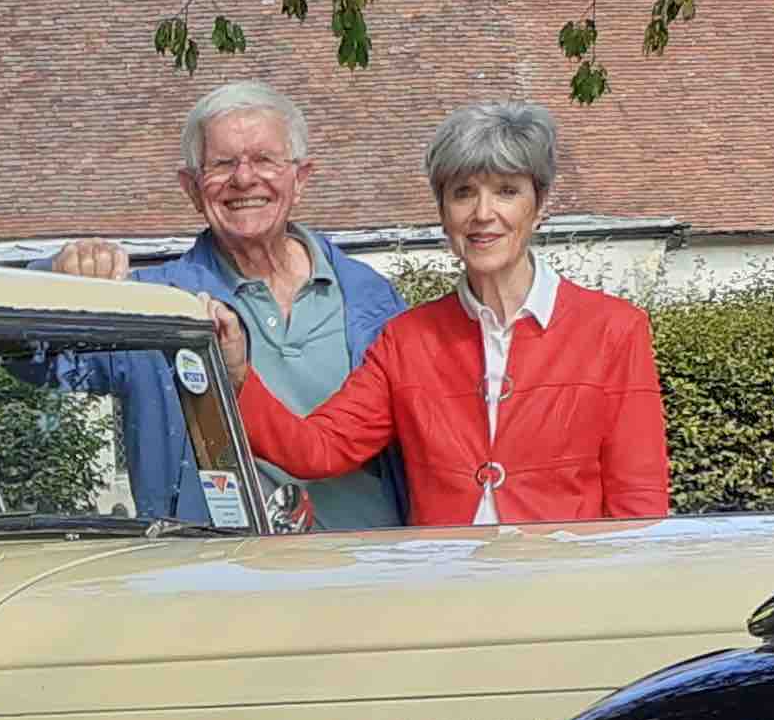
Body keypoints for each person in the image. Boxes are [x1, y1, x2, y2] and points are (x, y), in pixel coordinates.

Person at [217, 102, 672, 526]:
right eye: (463, 193)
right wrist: (237, 376)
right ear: (442, 211)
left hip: (565, 593)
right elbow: (316, 450)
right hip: (443, 593)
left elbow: (638, 502)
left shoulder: (615, 329)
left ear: (540, 205)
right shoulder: (407, 339)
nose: (483, 213)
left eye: (507, 191)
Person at [49, 79, 406, 529]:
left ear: (301, 179)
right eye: (222, 163)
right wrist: (58, 273)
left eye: (264, 159)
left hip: (372, 574)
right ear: (192, 187)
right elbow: (40, 359)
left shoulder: (373, 298)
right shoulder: (156, 308)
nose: (243, 178)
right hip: (219, 579)